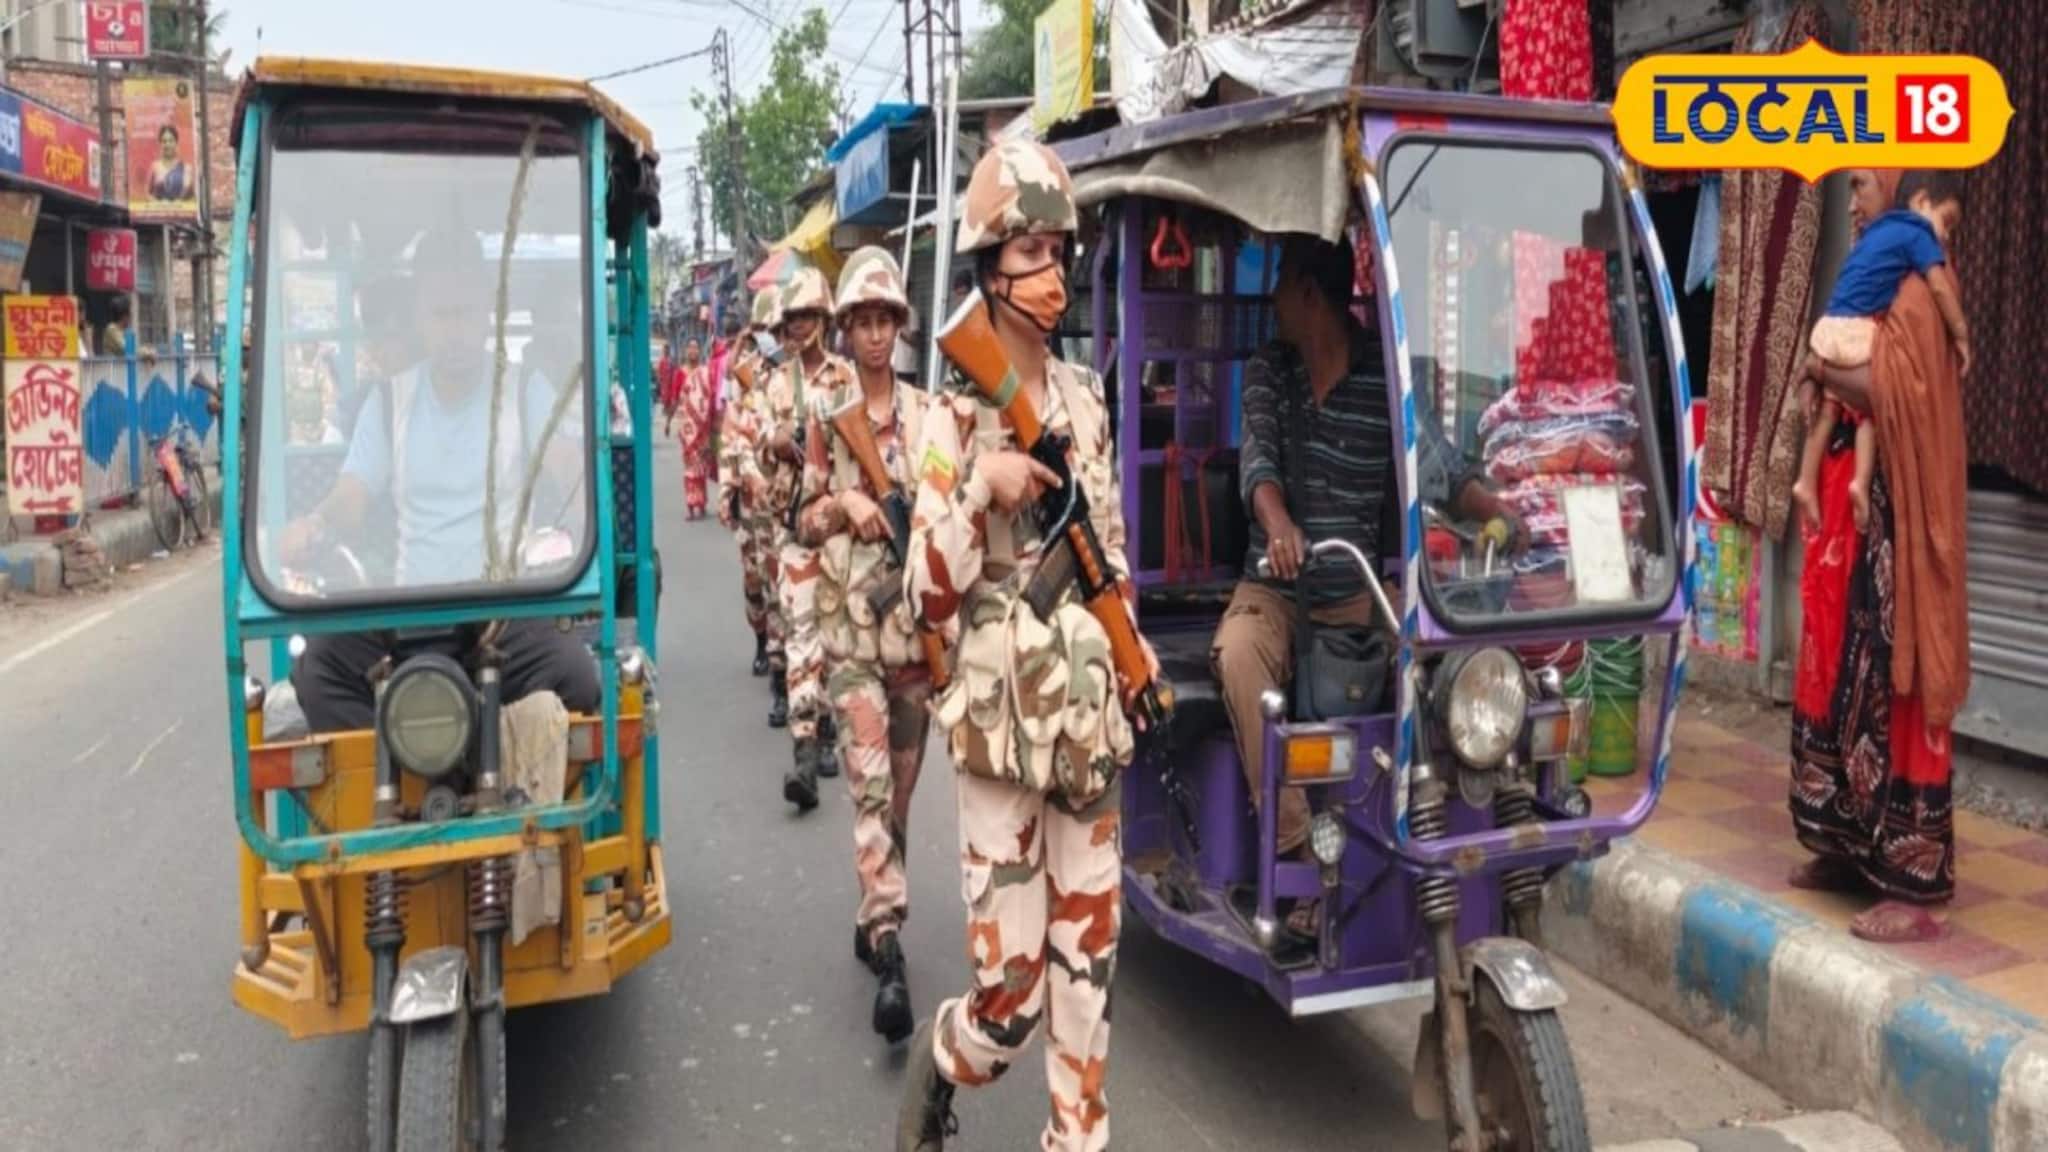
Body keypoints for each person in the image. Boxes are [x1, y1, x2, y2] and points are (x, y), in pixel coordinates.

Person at [897, 137, 1149, 1152]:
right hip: (1000, 733)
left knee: (1084, 979)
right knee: (1012, 998)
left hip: (1083, 717)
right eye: (1024, 251)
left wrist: (1135, 661)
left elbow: (1112, 548)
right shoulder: (945, 413)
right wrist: (975, 492)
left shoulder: (1084, 397)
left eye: (1056, 248)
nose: (1047, 272)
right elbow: (925, 588)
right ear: (985, 269)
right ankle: (943, 1055)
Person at [1209, 232, 1517, 943]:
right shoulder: (1269, 372)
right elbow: (1257, 462)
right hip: (1276, 591)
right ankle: (1294, 850)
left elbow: (1441, 469)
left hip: (1360, 591)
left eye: (1282, 284)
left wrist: (1497, 509)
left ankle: (1444, 830)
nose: (1275, 301)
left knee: (1453, 668)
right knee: (1238, 655)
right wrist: (1279, 523)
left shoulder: (1388, 379)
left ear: (1309, 294)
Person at [281, 228, 598, 732]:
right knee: (317, 670)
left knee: (579, 678)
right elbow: (352, 496)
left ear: (486, 314)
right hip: (410, 611)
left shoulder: (522, 392)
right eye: (440, 314)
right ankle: (396, 775)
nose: (455, 330)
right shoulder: (389, 402)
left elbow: (569, 468)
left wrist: (582, 507)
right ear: (420, 320)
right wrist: (314, 524)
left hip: (504, 612)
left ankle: (513, 784)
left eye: (466, 312)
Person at [1789, 168, 1972, 945]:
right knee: (1838, 672)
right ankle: (1841, 844)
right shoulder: (1881, 273)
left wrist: (1823, 369)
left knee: (1900, 689)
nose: (1854, 197)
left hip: (1906, 529)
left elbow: (1894, 391)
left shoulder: (1922, 297)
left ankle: (1912, 879)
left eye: (1864, 183)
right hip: (1862, 527)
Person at [794, 246, 930, 1043]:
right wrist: (844, 500)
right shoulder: (829, 419)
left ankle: (874, 908)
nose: (875, 335)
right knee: (872, 790)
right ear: (845, 331)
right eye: (863, 322)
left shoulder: (928, 417)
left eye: (885, 320)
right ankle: (889, 951)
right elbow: (804, 521)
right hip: (850, 642)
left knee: (901, 801)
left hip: (913, 644)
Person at [1791, 168, 1970, 532]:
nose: (1852, 207)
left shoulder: (1919, 279)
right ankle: (1814, 481)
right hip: (1849, 491)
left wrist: (1818, 368)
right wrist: (1812, 372)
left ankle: (1811, 480)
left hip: (1893, 488)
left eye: (1860, 186)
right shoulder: (1889, 249)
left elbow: (1887, 388)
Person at [747, 265, 851, 809]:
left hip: (841, 532)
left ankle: (830, 730)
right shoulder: (771, 384)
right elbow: (756, 433)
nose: (799, 327)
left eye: (808, 316)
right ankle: (805, 756)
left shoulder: (845, 380)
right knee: (803, 637)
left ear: (825, 320)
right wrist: (777, 439)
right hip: (792, 530)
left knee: (836, 640)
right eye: (792, 319)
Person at [720, 288, 780, 679]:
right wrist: (732, 488)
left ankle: (782, 670)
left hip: (793, 500)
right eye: (767, 328)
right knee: (756, 582)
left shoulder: (809, 375)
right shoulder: (747, 376)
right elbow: (732, 431)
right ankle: (762, 641)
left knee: (787, 588)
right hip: (754, 496)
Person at [671, 339, 713, 519]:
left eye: (696, 347)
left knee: (701, 467)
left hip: (702, 427)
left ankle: (701, 502)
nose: (693, 351)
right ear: (686, 351)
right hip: (687, 428)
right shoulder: (680, 373)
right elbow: (674, 399)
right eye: (690, 347)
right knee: (689, 468)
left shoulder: (705, 373)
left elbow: (710, 397)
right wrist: (669, 422)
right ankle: (690, 505)